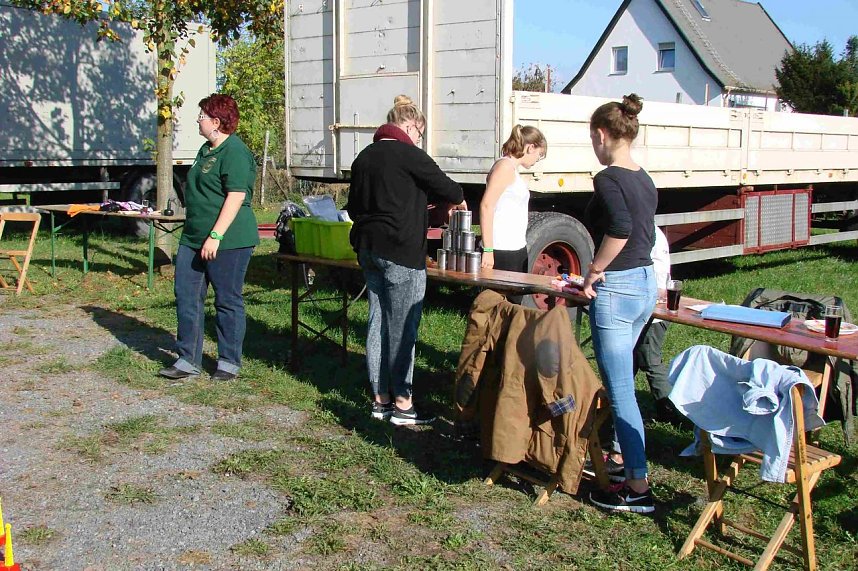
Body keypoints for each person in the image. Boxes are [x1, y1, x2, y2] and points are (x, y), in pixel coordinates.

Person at [346, 95, 466, 426]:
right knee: (403, 326)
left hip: (368, 248)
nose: (419, 140)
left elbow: (354, 208)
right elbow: (451, 190)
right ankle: (403, 403)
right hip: (401, 252)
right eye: (420, 133)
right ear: (411, 125)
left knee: (377, 321)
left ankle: (379, 398)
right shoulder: (409, 154)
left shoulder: (364, 158)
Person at [581, 93, 658, 514]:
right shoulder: (643, 176)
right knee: (624, 380)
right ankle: (622, 458)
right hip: (646, 282)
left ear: (601, 134)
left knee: (621, 390)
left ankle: (637, 486)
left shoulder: (609, 177)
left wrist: (594, 270)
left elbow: (622, 228)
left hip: (619, 286)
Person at [159, 94, 259, 383]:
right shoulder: (206, 150)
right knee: (187, 296)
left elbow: (236, 196)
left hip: (228, 240)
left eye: (202, 116)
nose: (197, 120)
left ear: (216, 122)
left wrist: (215, 235)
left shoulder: (235, 152)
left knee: (227, 300)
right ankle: (187, 358)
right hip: (193, 237)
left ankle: (228, 362)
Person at [479, 125, 547, 281]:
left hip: (514, 247)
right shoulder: (505, 167)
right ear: (531, 147)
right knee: (499, 302)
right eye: (539, 154)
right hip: (502, 249)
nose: (537, 159)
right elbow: (486, 206)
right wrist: (488, 250)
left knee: (513, 302)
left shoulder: (512, 168)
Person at [633, 224, 683, 424]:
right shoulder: (642, 230)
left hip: (654, 312)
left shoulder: (651, 234)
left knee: (649, 358)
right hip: (640, 307)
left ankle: (670, 410)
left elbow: (661, 285)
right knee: (632, 357)